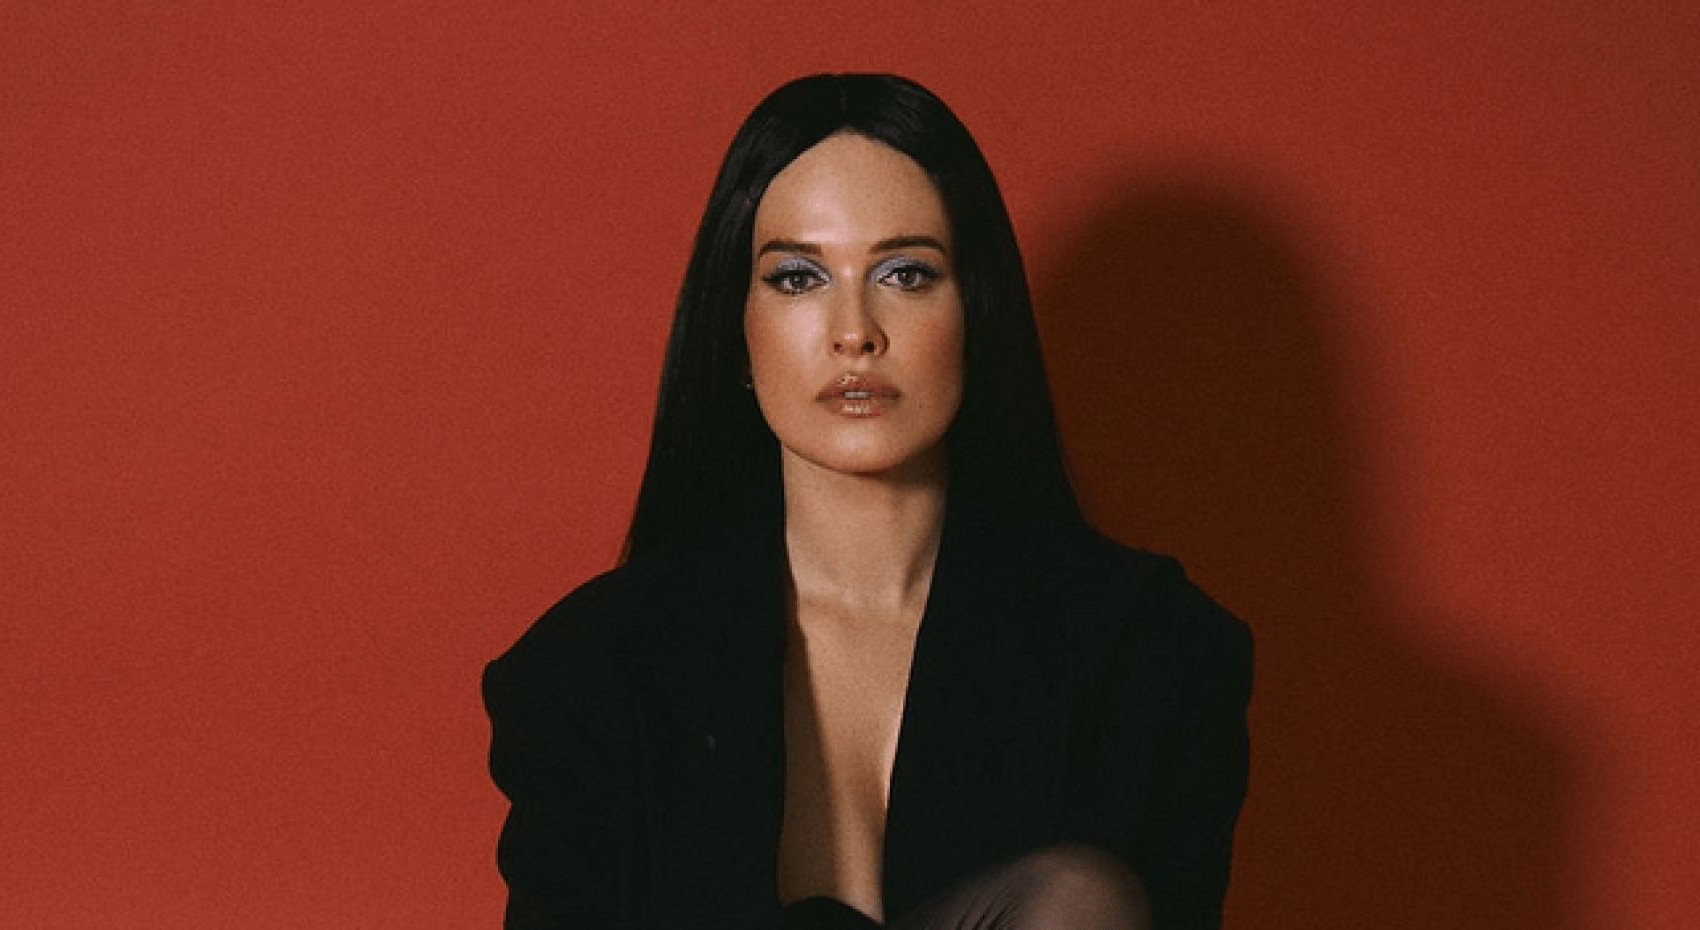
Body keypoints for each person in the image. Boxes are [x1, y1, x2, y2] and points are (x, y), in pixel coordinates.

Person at [484, 73, 1252, 930]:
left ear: (976, 311)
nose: (854, 331)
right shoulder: (590, 674)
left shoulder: (1152, 657)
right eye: (797, 278)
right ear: (737, 331)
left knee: (1076, 901)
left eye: (906, 273)